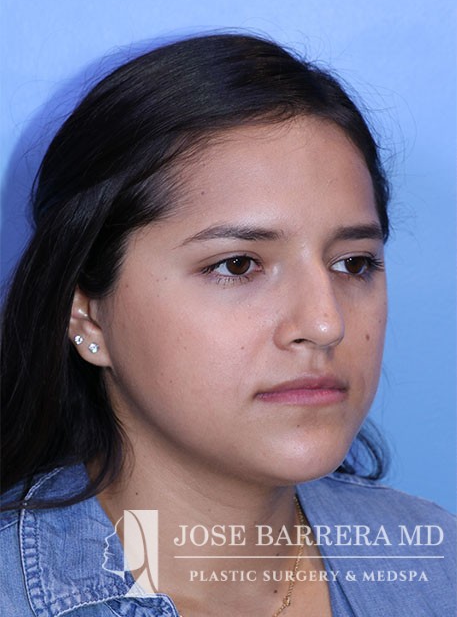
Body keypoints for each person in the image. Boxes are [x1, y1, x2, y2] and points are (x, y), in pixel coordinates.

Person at [0, 32, 455, 617]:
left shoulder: (436, 566)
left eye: (353, 264)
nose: (325, 324)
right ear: (87, 313)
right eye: (237, 265)